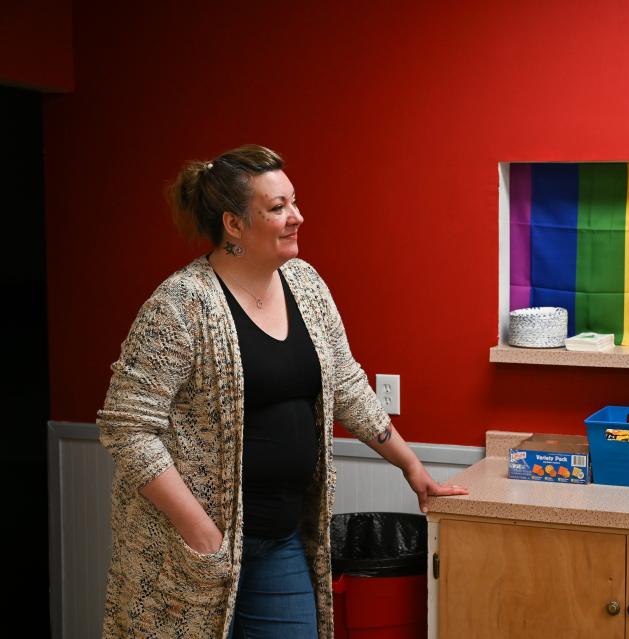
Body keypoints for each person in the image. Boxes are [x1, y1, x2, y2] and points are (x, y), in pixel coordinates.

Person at [97, 144, 468, 639]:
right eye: (277, 207)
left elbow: (345, 382)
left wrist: (411, 466)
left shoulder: (306, 284)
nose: (297, 216)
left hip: (282, 540)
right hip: (191, 554)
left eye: (293, 201)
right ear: (233, 224)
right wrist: (201, 534)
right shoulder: (181, 305)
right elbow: (127, 428)